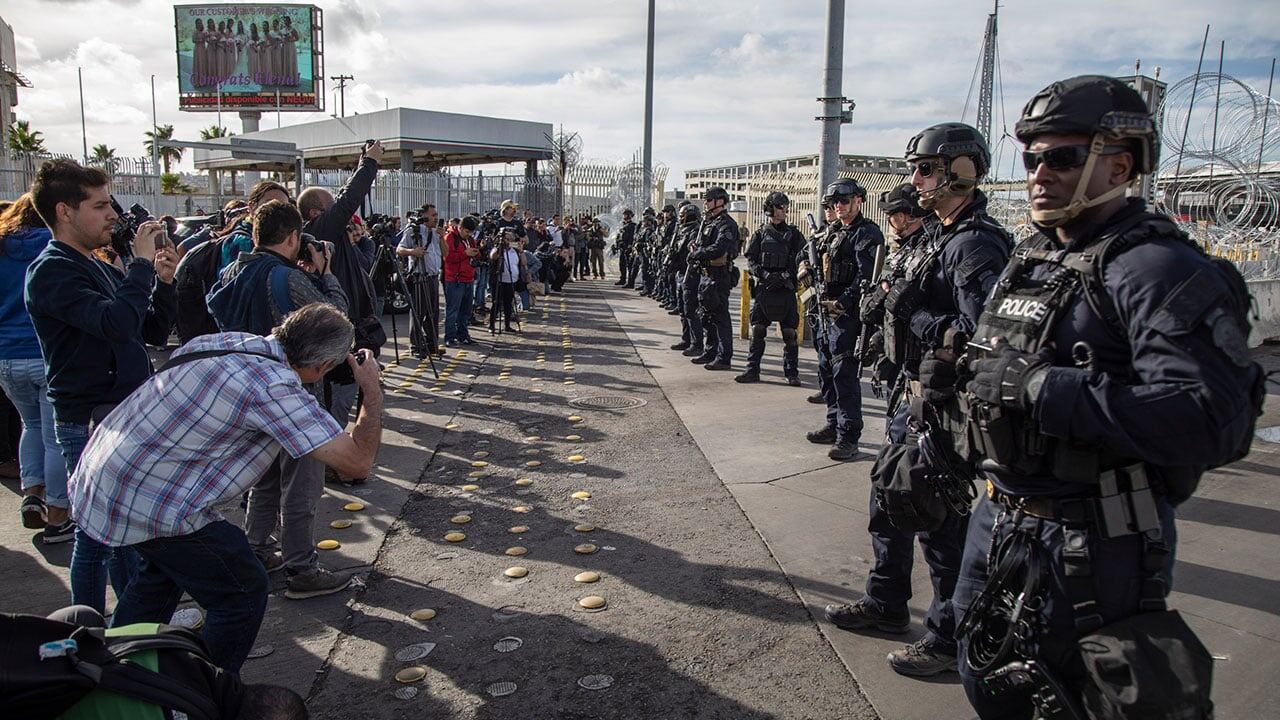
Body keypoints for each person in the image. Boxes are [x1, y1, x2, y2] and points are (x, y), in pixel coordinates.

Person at [926, 76, 1260, 720]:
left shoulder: (1157, 268)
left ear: (1120, 165)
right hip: (1000, 516)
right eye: (1032, 158)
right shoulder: (1035, 259)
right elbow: (1005, 358)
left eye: (1063, 156)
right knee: (987, 679)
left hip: (1091, 541)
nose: (1040, 173)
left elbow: (1212, 419)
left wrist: (1042, 387)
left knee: (1062, 700)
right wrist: (960, 374)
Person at [69, 303, 384, 674]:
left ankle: (119, 672)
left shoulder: (228, 343)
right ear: (322, 367)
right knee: (243, 588)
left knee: (166, 571)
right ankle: (205, 689)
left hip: (107, 472)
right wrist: (371, 390)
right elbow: (358, 462)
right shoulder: (272, 386)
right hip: (152, 498)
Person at [24, 159, 178, 611]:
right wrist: (141, 267)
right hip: (90, 421)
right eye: (100, 206)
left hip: (119, 415)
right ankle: (88, 627)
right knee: (97, 538)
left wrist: (164, 282)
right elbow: (114, 324)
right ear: (64, 211)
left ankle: (127, 622)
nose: (112, 215)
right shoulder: (53, 270)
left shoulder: (96, 265)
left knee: (120, 534)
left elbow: (149, 330)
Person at [206, 200, 354, 600]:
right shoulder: (286, 278)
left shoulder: (231, 271)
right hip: (293, 392)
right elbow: (335, 322)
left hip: (247, 391)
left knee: (265, 479)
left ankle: (257, 549)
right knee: (302, 484)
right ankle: (302, 568)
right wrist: (326, 275)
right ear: (292, 237)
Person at [0, 195, 67, 539]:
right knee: (55, 435)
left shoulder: (2, 247)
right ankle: (57, 514)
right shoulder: (54, 246)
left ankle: (32, 493)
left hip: (6, 355)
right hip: (45, 352)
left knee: (31, 426)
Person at [804, 178, 884, 461]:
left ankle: (848, 436)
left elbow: (866, 276)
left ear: (858, 201)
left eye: (844, 201)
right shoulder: (833, 231)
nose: (838, 206)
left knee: (844, 375)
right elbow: (810, 253)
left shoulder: (866, 233)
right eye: (834, 202)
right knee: (826, 371)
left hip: (847, 315)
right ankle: (833, 422)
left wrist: (843, 302)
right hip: (825, 311)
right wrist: (804, 264)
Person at [737, 191, 806, 386]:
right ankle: (752, 370)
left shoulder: (794, 235)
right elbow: (751, 260)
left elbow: (802, 259)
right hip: (765, 288)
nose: (784, 210)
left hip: (785, 288)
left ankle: (792, 373)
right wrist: (765, 275)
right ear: (770, 209)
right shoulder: (760, 233)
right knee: (758, 329)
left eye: (785, 207)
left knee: (789, 333)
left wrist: (785, 275)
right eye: (780, 206)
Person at [688, 187, 739, 371]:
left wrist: (699, 253)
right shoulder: (709, 222)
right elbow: (704, 244)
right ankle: (710, 351)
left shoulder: (726, 224)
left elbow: (719, 248)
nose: (706, 203)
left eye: (709, 200)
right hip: (706, 274)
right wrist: (695, 248)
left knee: (721, 317)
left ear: (720, 201)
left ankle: (724, 357)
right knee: (707, 316)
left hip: (719, 275)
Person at [396, 204, 444, 357]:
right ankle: (416, 346)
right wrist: (413, 251)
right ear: (424, 216)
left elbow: (445, 253)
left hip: (433, 277)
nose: (436, 218)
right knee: (418, 312)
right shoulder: (413, 230)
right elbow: (399, 249)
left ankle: (432, 344)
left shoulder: (436, 233)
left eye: (436, 215)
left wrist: (442, 237)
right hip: (419, 276)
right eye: (433, 215)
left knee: (433, 313)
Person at [671, 203, 705, 357]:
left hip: (690, 274)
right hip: (681, 273)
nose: (680, 218)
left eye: (683, 215)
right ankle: (686, 339)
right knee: (683, 310)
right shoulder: (682, 231)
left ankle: (697, 344)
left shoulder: (695, 232)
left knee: (691, 311)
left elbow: (691, 252)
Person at [442, 216, 479, 347]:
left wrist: (477, 252)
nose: (469, 235)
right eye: (467, 232)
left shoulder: (470, 240)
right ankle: (449, 337)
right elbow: (447, 257)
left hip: (468, 278)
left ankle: (463, 335)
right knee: (452, 310)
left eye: (471, 233)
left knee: (466, 310)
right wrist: (465, 253)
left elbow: (475, 254)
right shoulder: (450, 238)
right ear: (461, 228)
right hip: (455, 279)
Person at [488, 228, 524, 333]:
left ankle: (507, 325)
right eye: (507, 239)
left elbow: (524, 262)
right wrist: (500, 246)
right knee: (496, 303)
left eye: (511, 239)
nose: (509, 242)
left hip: (512, 281)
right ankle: (491, 325)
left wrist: (521, 251)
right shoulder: (498, 249)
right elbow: (492, 256)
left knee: (508, 303)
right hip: (499, 281)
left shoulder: (515, 251)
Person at [614, 209, 636, 286]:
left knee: (629, 265)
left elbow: (632, 237)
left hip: (628, 248)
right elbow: (619, 236)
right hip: (622, 247)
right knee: (622, 264)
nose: (624, 216)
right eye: (624, 215)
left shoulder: (632, 226)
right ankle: (622, 279)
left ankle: (630, 281)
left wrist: (630, 246)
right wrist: (616, 244)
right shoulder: (623, 225)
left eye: (625, 215)